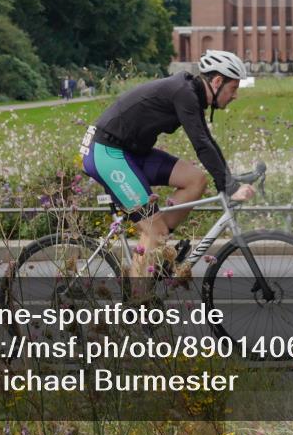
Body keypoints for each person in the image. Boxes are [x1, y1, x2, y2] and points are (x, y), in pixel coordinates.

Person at [80, 50, 255, 285]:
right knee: (155, 230)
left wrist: (229, 179)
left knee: (195, 180)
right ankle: (138, 311)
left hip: (131, 153)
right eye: (233, 88)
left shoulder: (191, 93)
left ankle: (157, 249)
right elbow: (201, 145)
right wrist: (229, 186)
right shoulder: (184, 93)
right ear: (216, 82)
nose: (235, 95)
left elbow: (207, 141)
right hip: (107, 153)